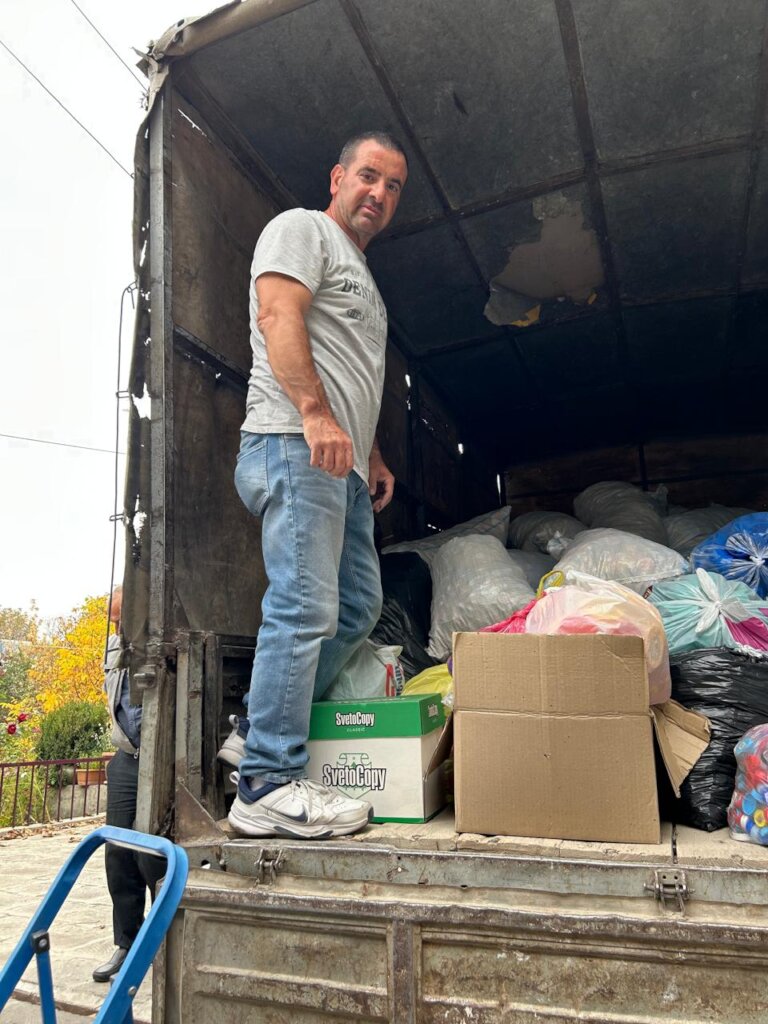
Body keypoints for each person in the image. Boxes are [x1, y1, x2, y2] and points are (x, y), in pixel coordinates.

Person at [218, 131, 408, 840]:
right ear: (337, 177)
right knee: (303, 607)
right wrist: (314, 414)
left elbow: (356, 373)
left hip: (343, 463)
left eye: (393, 186)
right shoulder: (303, 230)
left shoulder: (366, 279)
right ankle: (266, 783)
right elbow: (277, 315)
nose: (378, 194)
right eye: (369, 176)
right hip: (295, 443)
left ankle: (253, 730)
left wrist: (374, 454)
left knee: (357, 606)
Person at [93, 585, 165, 983]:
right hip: (126, 758)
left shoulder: (158, 642)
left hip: (160, 757)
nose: (118, 627)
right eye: (115, 620)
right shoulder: (113, 647)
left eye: (123, 619)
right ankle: (127, 942)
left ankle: (162, 940)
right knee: (118, 853)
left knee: (152, 854)